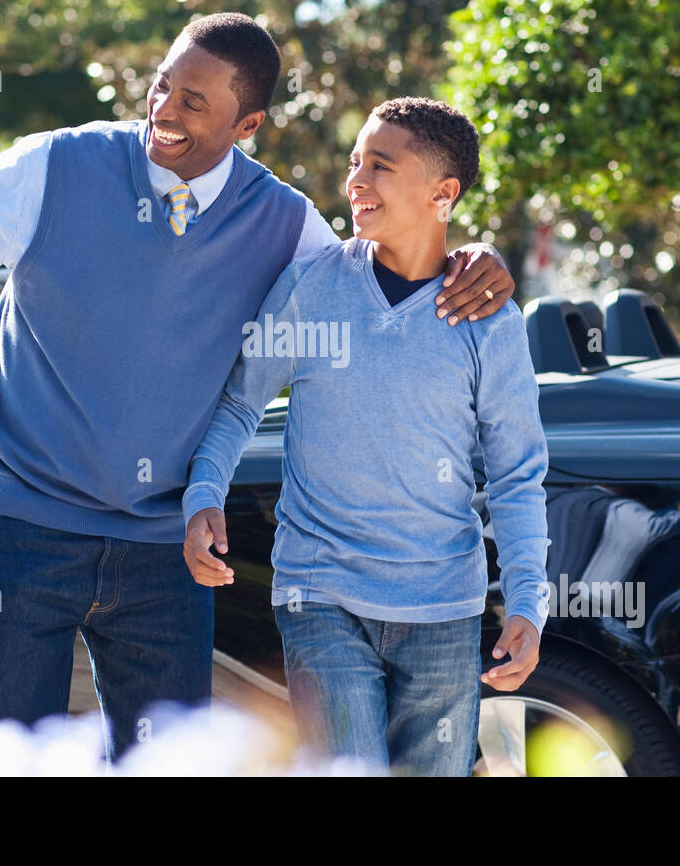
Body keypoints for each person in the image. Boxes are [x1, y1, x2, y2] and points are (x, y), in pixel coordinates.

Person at [0, 13, 518, 762]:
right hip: (20, 529)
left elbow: (373, 278)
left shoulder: (283, 224)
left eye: (194, 101)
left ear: (247, 123)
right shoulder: (57, 167)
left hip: (166, 552)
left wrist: (472, 255)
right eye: (161, 86)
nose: (164, 110)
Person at [182, 97, 550, 775]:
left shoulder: (489, 321)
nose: (357, 179)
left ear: (443, 193)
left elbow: (516, 472)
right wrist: (203, 494)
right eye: (356, 161)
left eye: (381, 165)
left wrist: (528, 599)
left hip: (444, 603)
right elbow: (239, 401)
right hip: (320, 589)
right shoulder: (311, 288)